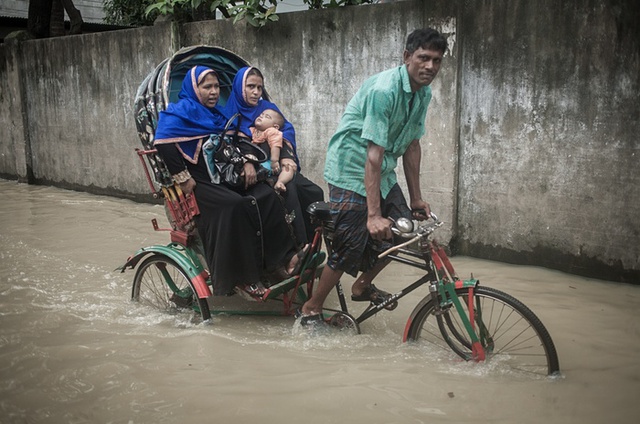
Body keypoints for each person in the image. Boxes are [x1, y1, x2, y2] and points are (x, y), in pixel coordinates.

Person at [297, 28, 448, 325]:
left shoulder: (423, 93)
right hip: (350, 167)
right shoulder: (384, 90)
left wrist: (416, 198)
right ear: (407, 57)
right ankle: (312, 307)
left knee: (402, 232)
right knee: (349, 243)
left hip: (382, 169)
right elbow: (373, 154)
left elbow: (413, 144)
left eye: (437, 60)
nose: (430, 66)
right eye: (424, 58)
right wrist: (372, 215)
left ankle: (361, 286)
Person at [153, 65, 305, 299]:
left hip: (225, 174)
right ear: (194, 88)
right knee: (236, 205)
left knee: (266, 193)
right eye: (207, 87)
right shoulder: (179, 112)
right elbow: (162, 143)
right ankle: (245, 277)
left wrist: (247, 162)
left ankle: (280, 260)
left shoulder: (220, 115)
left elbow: (236, 142)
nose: (214, 92)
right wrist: (184, 178)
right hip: (199, 182)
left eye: (216, 87)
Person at [222, 67, 324, 246]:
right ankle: (298, 247)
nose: (256, 92)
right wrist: (247, 162)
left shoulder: (268, 108)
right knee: (288, 191)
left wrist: (286, 156)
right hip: (255, 170)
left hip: (278, 162)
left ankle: (312, 247)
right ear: (239, 87)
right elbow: (227, 145)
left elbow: (286, 129)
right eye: (250, 86)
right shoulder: (229, 113)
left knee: (313, 191)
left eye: (259, 88)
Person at [250, 108, 297, 194]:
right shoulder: (252, 130)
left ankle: (281, 182)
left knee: (288, 168)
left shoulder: (272, 131)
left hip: (273, 163)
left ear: (275, 126)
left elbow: (275, 145)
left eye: (267, 117)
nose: (261, 117)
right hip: (261, 164)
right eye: (261, 115)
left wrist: (274, 161)